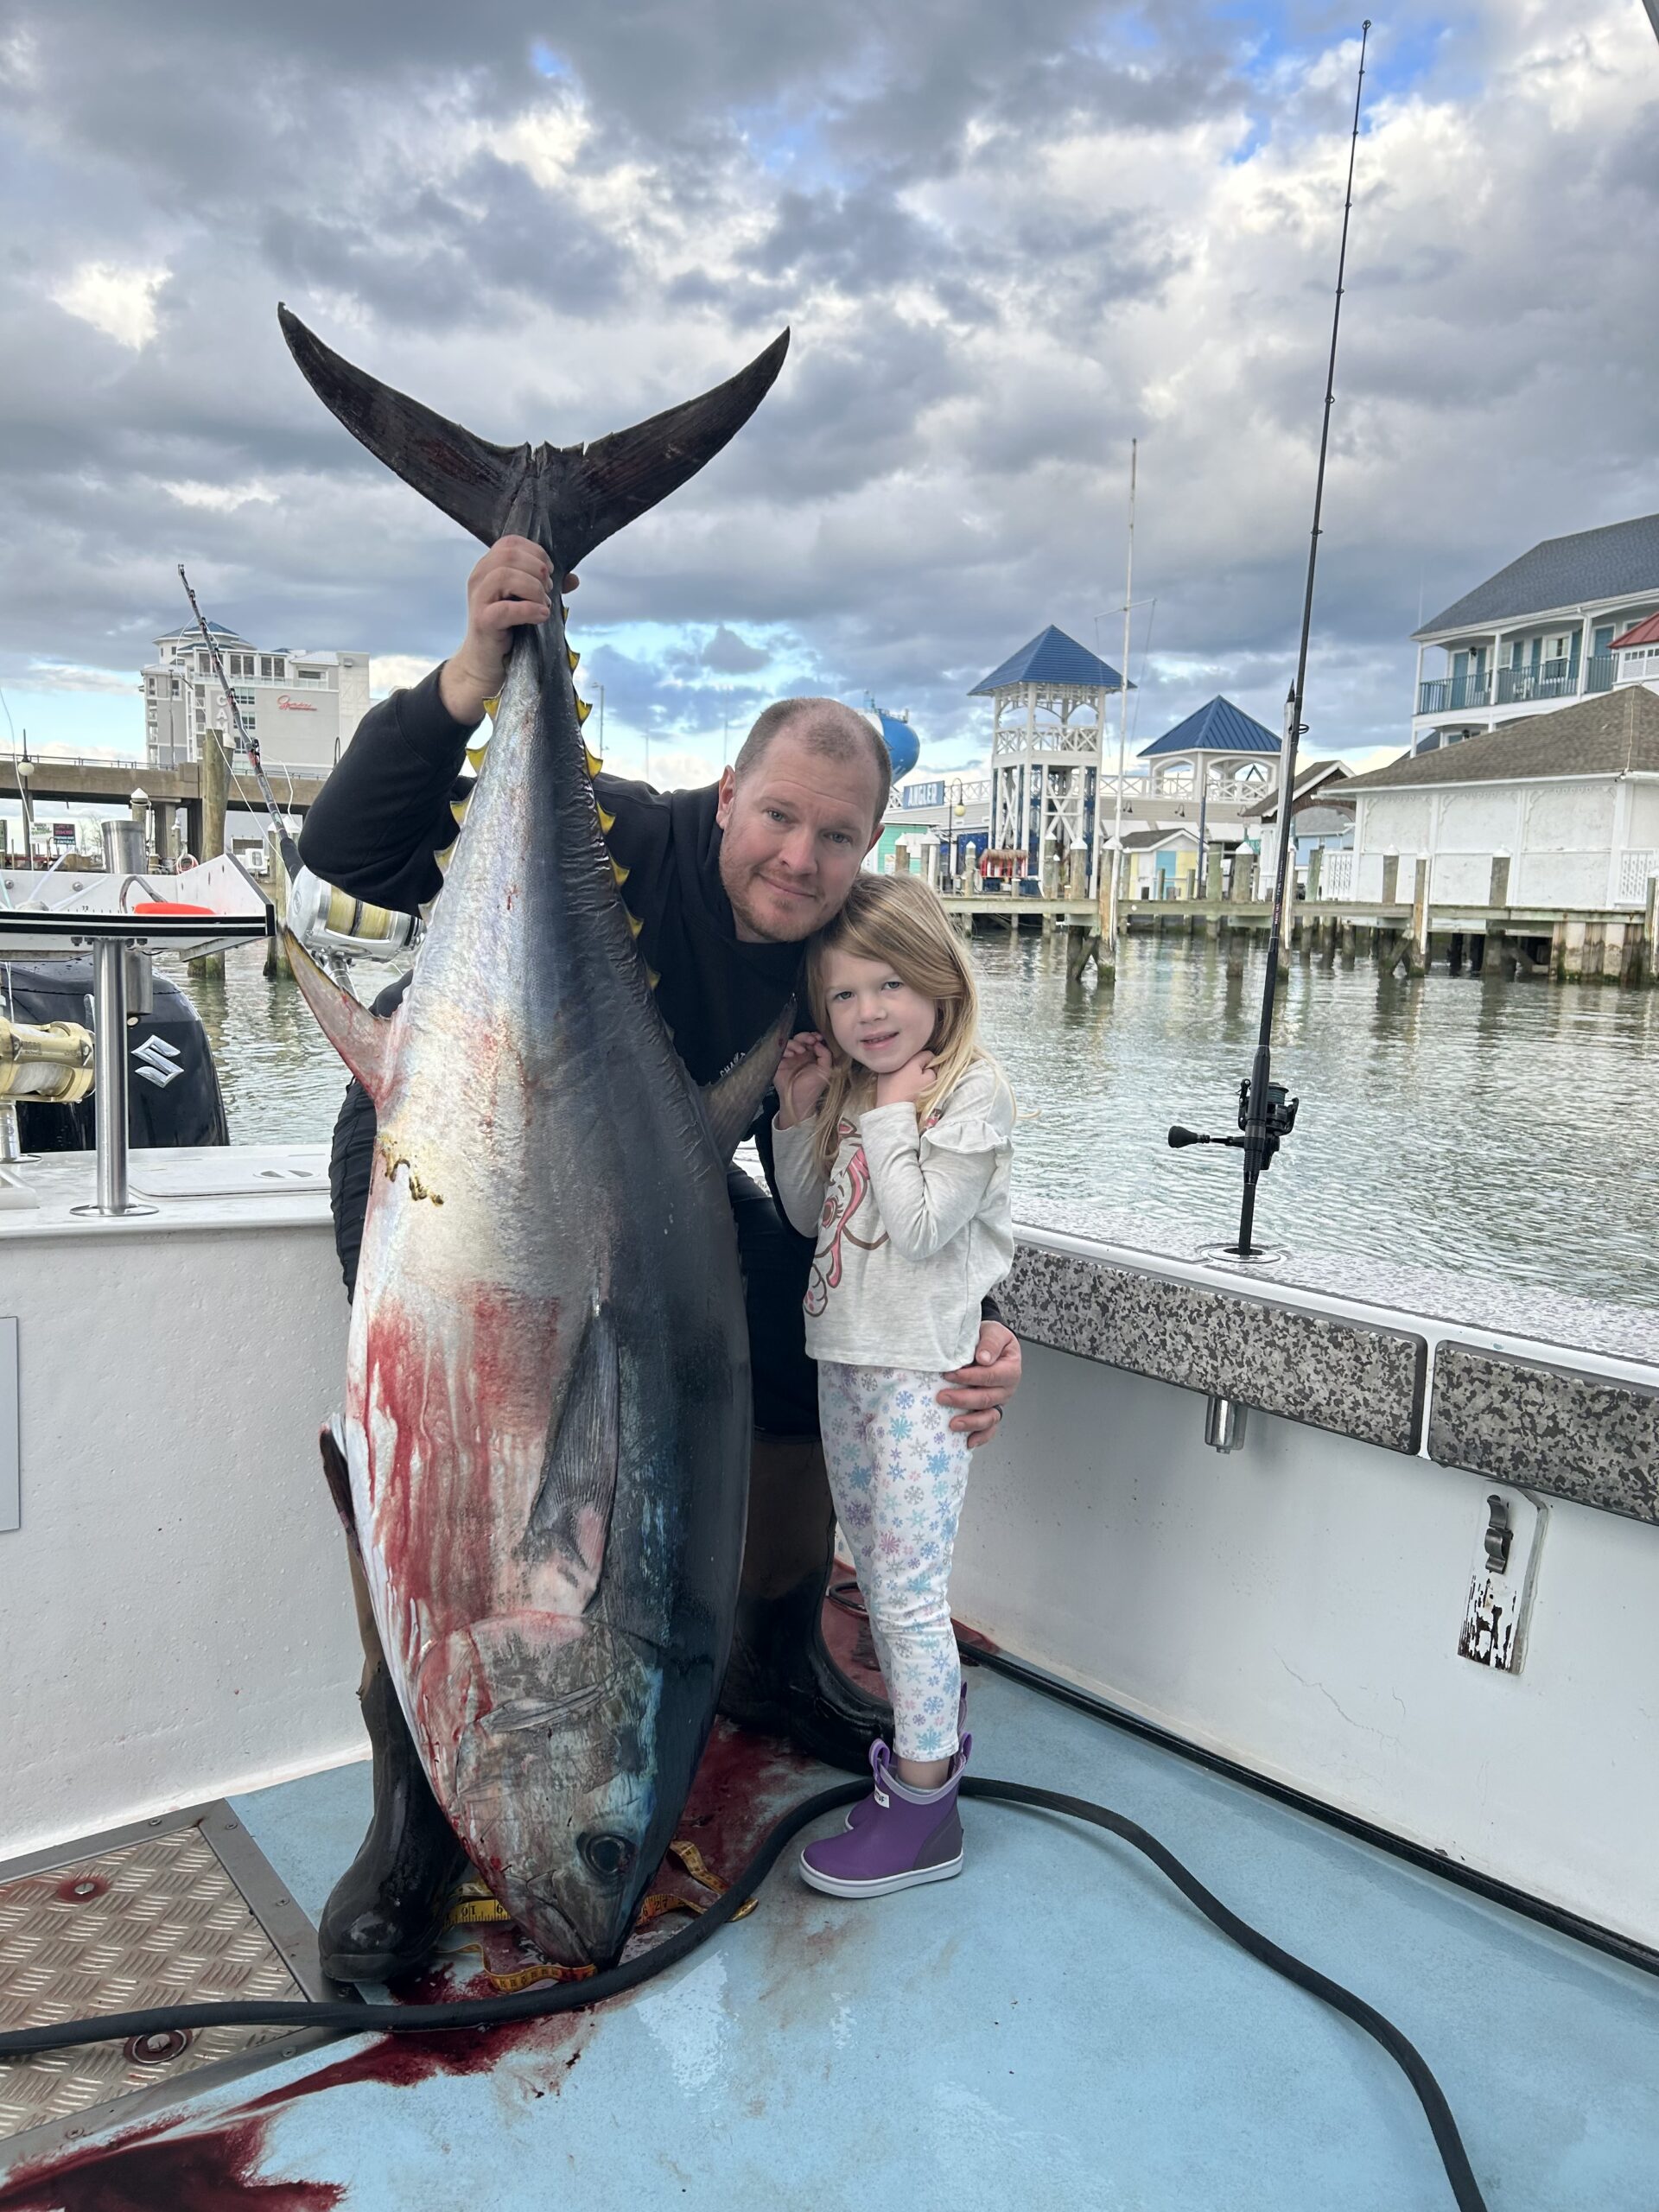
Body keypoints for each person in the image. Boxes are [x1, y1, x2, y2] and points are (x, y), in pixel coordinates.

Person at [296, 536, 1023, 1979]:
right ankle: (419, 1814)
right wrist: (465, 678)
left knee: (810, 1325)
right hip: (463, 1179)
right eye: (779, 819)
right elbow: (352, 852)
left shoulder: (828, 953)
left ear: (869, 846)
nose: (800, 860)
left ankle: (760, 1652)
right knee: (460, 1470)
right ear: (728, 795)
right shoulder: (615, 834)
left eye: (837, 837)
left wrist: (982, 1323)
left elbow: (888, 1158)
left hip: (663, 1199)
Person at [770, 874, 1014, 1897]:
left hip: (921, 1379)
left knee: (910, 1598)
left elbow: (920, 1228)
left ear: (939, 984)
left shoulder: (967, 1094)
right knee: (869, 1579)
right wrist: (799, 1113)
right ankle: (925, 1733)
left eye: (890, 986)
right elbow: (802, 1216)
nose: (869, 1012)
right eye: (844, 996)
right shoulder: (862, 1098)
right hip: (849, 1366)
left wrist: (891, 1112)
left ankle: (924, 1809)